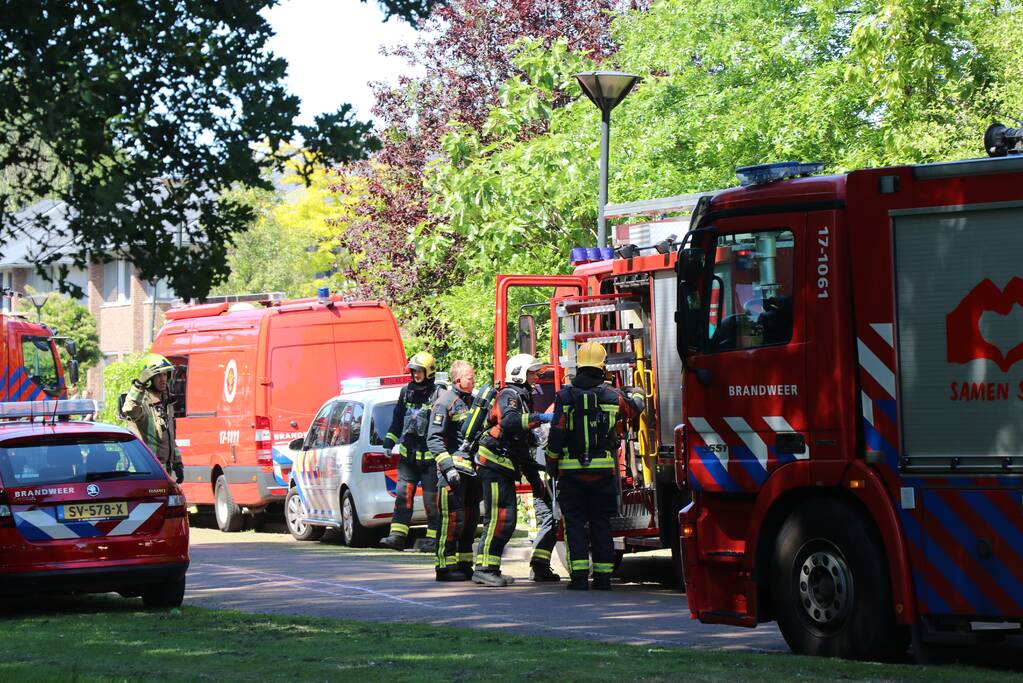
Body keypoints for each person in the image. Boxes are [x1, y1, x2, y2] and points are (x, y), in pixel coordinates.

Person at [546, 343, 645, 591]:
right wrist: (638, 391)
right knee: (601, 523)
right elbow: (634, 409)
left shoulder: (565, 396)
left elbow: (556, 435)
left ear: (579, 364)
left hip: (570, 473)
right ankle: (603, 578)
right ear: (603, 366)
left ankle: (579, 578)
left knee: (575, 524)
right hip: (603, 473)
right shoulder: (612, 395)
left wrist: (551, 463)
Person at [472, 353, 553, 587]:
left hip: (505, 465)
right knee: (499, 517)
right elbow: (509, 422)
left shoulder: (522, 397)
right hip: (495, 465)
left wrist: (536, 483)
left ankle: (491, 569)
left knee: (506, 519)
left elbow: (521, 448)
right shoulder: (509, 395)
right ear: (518, 374)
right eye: (532, 373)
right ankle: (484, 568)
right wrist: (542, 418)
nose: (537, 377)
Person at [379, 351, 442, 552]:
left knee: (431, 501)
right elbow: (398, 419)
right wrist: (389, 441)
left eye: (419, 371)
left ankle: (433, 538)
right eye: (413, 370)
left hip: (431, 459)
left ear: (428, 371)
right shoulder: (406, 392)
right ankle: (397, 536)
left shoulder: (438, 394)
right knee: (403, 496)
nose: (415, 374)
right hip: (408, 457)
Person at [427, 360, 481, 581]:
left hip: (471, 473)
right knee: (450, 521)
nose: (473, 379)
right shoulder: (445, 402)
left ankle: (465, 564)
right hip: (452, 475)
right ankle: (444, 567)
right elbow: (434, 439)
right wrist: (448, 468)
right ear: (458, 379)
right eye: (470, 376)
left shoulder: (473, 401)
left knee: (469, 520)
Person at [122, 353, 184, 484]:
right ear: (149, 379)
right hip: (145, 470)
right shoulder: (142, 402)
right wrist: (138, 385)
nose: (163, 379)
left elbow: (171, 437)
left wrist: (177, 462)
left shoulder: (166, 403)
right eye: (158, 376)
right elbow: (129, 409)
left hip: (163, 471)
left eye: (165, 375)